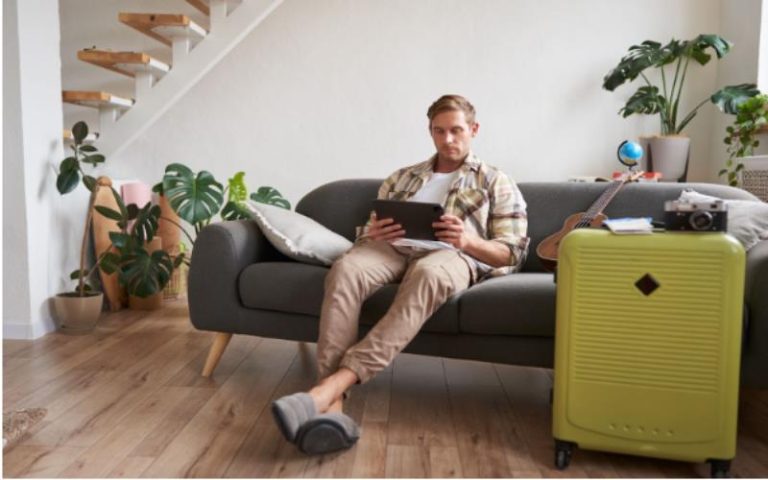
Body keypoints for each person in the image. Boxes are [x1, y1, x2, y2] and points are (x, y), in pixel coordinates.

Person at [272, 94, 529, 454]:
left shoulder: (495, 180)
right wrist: (373, 234)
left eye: (456, 130)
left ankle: (326, 392)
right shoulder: (402, 177)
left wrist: (468, 240)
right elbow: (368, 230)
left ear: (473, 129)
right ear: (430, 132)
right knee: (346, 268)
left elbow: (512, 251)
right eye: (439, 131)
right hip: (394, 248)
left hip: (453, 255)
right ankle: (333, 408)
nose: (448, 139)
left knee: (428, 275)